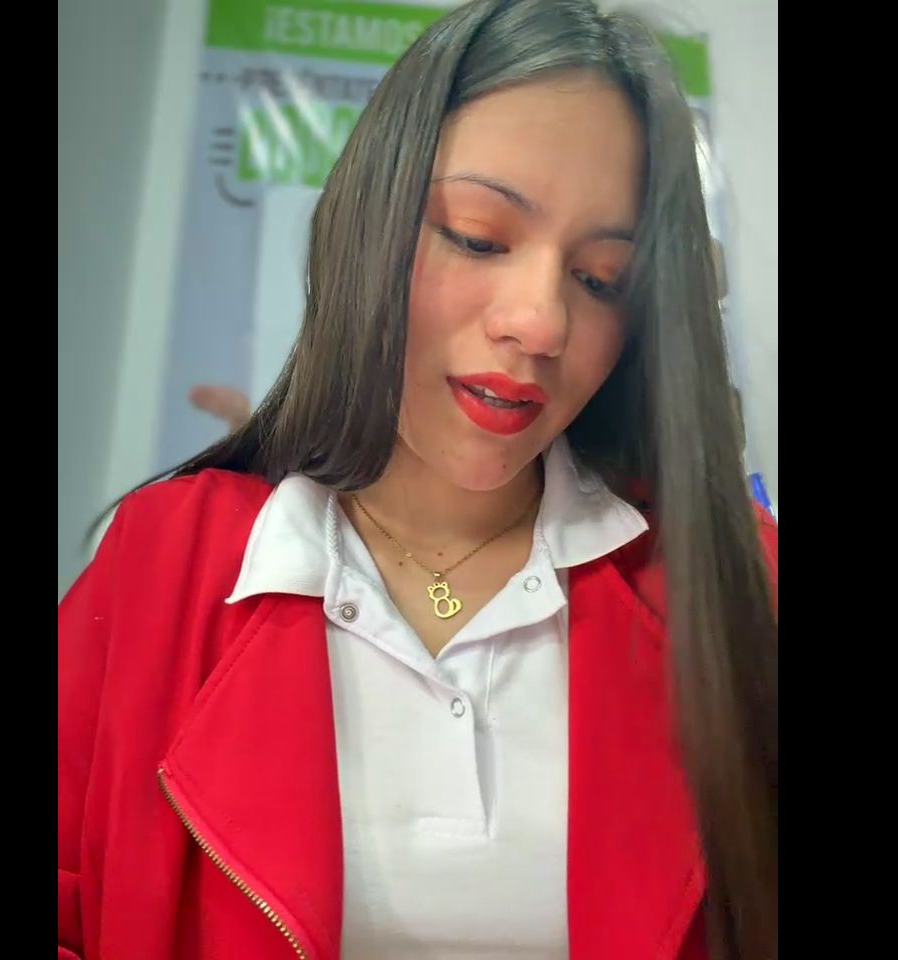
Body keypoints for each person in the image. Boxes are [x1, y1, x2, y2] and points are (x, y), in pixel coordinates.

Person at [58, 1, 778, 958]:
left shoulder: (736, 583)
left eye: (602, 280)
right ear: (369, 224)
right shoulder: (167, 560)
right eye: (478, 237)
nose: (541, 322)